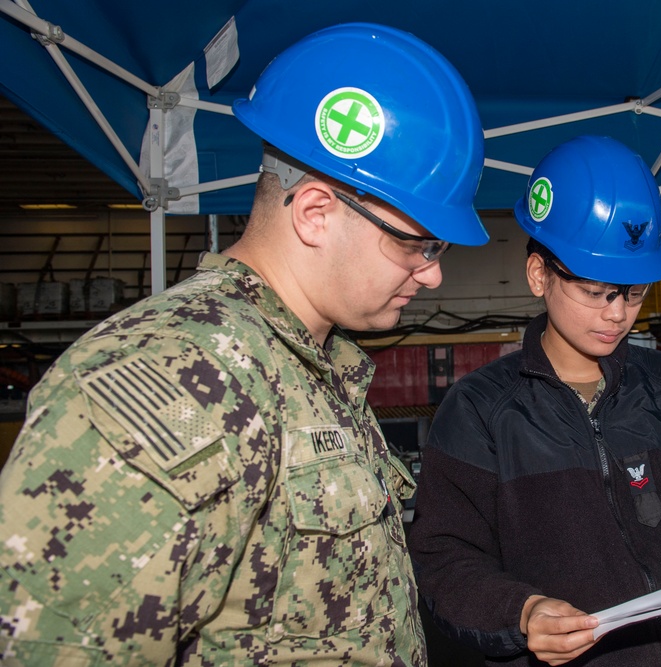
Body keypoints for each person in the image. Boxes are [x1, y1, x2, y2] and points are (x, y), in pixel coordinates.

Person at [0, 23, 487, 666]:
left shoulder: (312, 365)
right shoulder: (170, 382)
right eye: (416, 243)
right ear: (314, 213)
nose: (433, 273)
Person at [408, 135, 661, 667]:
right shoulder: (480, 412)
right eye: (597, 290)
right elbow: (444, 558)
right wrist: (522, 611)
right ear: (539, 275)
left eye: (635, 291)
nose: (618, 314)